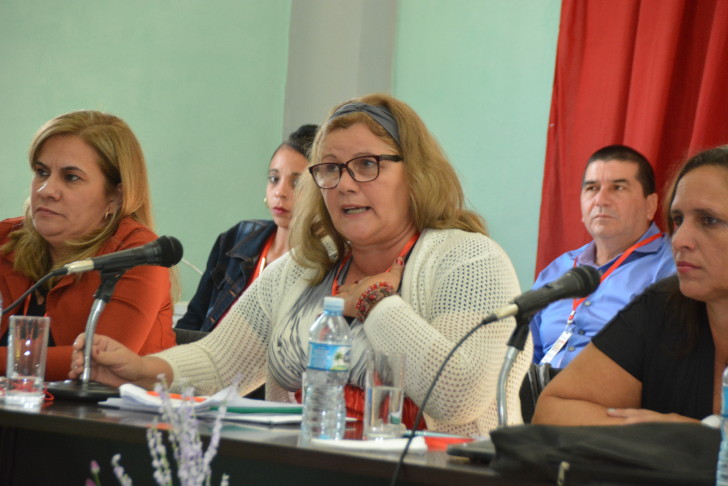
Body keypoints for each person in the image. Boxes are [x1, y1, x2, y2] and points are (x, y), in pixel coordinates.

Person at [70, 93, 532, 435]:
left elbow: (457, 398)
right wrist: (142, 369)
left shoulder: (468, 259)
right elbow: (219, 360)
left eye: (367, 164)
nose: (345, 185)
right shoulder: (302, 269)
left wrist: (375, 302)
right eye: (330, 168)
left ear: (415, 174)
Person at [532, 145, 728, 425]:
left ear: (650, 205)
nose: (679, 239)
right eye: (678, 220)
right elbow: (552, 410)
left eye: (709, 220)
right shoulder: (663, 304)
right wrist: (658, 435)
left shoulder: (664, 270)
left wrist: (695, 436)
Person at [0, 110, 176, 382]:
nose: (46, 190)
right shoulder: (5, 240)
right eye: (41, 172)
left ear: (116, 196)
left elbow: (97, 364)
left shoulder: (138, 253)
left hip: (113, 421)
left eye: (71, 177)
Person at [529, 145, 674, 367]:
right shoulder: (558, 269)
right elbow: (524, 356)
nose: (600, 200)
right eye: (592, 188)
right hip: (538, 396)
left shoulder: (671, 266)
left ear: (650, 204)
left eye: (618, 188)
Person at [175, 124, 318, 332]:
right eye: (274, 179)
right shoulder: (236, 239)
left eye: (296, 183)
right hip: (204, 359)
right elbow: (193, 319)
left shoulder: (322, 263)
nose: (280, 192)